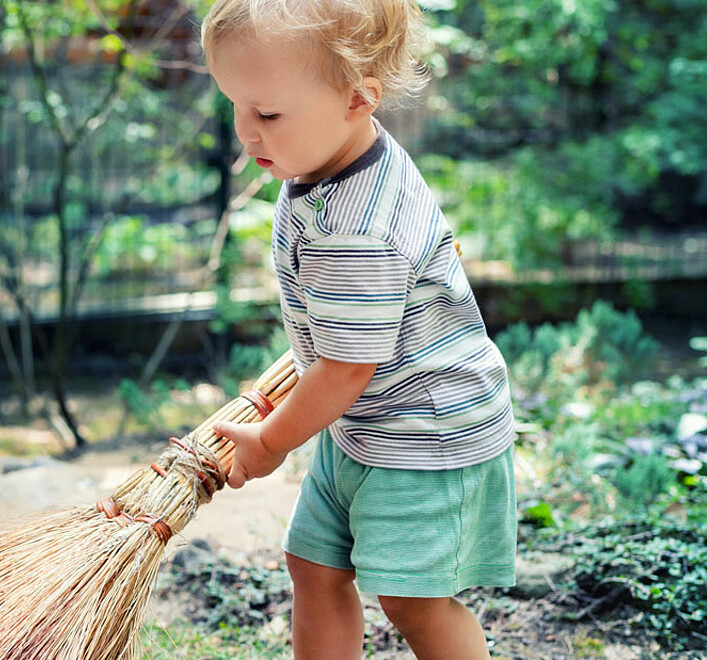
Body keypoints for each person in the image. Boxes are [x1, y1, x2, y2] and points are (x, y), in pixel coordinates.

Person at [201, 1, 518, 658]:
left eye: (267, 114)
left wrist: (268, 441)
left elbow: (348, 368)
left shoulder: (356, 233)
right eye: (235, 105)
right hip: (367, 421)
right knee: (314, 565)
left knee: (413, 599)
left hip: (427, 434)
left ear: (358, 99)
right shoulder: (334, 154)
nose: (246, 134)